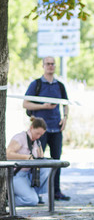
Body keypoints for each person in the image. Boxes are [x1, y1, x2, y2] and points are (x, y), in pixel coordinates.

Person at [22, 56, 70, 201]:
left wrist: (65, 117)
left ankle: (56, 191)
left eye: (53, 64)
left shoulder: (60, 85)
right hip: (39, 132)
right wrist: (43, 106)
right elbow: (26, 104)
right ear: (43, 66)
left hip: (56, 129)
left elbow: (65, 103)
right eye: (48, 64)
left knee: (57, 161)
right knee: (37, 162)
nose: (50, 66)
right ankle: (36, 194)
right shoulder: (36, 84)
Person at [6, 117, 51, 206]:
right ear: (31, 128)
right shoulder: (20, 138)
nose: (38, 136)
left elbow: (40, 160)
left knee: (47, 167)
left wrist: (39, 151)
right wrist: (25, 157)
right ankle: (6, 200)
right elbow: (7, 154)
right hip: (16, 174)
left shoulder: (36, 141)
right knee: (32, 200)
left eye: (41, 135)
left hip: (28, 174)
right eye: (37, 133)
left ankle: (36, 194)